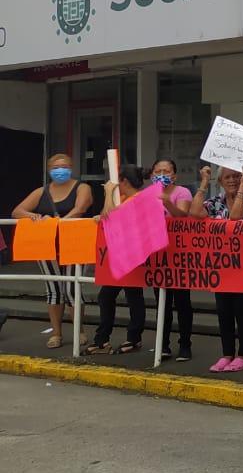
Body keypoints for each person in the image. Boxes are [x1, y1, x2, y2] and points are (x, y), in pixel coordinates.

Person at [11, 153, 93, 349]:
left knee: (74, 288)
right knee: (54, 289)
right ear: (49, 170)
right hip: (47, 245)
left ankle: (79, 331)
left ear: (71, 167)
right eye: (56, 167)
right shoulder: (42, 191)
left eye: (64, 166)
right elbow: (17, 211)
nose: (60, 170)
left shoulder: (82, 187)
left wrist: (59, 223)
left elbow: (81, 208)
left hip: (75, 242)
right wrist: (35, 217)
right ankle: (56, 333)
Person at [190, 163, 243, 373]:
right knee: (223, 311)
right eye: (227, 177)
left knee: (242, 310)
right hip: (221, 265)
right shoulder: (215, 202)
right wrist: (204, 182)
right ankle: (227, 354)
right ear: (220, 182)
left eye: (236, 176)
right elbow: (195, 212)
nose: (232, 180)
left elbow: (236, 218)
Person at [86, 165, 150, 356]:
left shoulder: (139, 199)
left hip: (133, 254)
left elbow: (111, 215)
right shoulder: (124, 199)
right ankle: (104, 339)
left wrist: (107, 193)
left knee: (132, 296)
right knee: (110, 296)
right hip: (120, 255)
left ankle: (131, 338)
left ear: (123, 182)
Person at [150, 158, 194, 361]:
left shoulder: (182, 192)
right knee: (162, 302)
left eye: (166, 171)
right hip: (158, 256)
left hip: (180, 255)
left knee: (182, 302)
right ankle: (163, 344)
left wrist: (167, 203)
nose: (161, 174)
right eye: (157, 171)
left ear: (174, 176)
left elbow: (183, 216)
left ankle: (185, 345)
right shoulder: (147, 195)